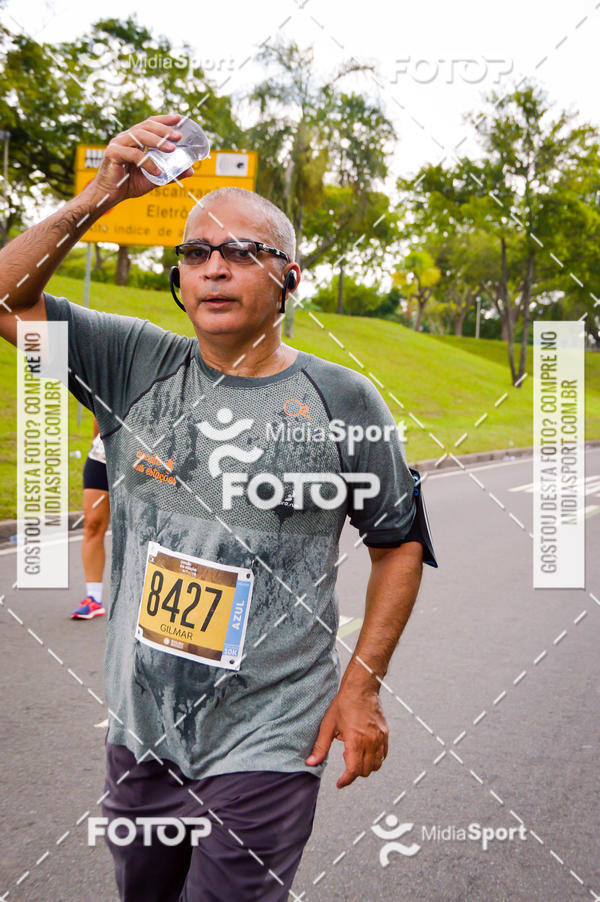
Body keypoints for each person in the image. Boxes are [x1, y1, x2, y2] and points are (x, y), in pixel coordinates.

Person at [0, 114, 437, 902]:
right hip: (142, 731)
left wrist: (363, 687)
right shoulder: (130, 362)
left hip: (271, 733)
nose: (214, 268)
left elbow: (398, 543)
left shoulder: (343, 399)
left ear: (290, 277)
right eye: (197, 252)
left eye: (243, 252)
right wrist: (102, 192)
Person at [71, 416, 110, 619]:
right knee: (93, 524)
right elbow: (98, 412)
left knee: (143, 529)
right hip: (102, 456)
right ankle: (93, 598)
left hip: (145, 459)